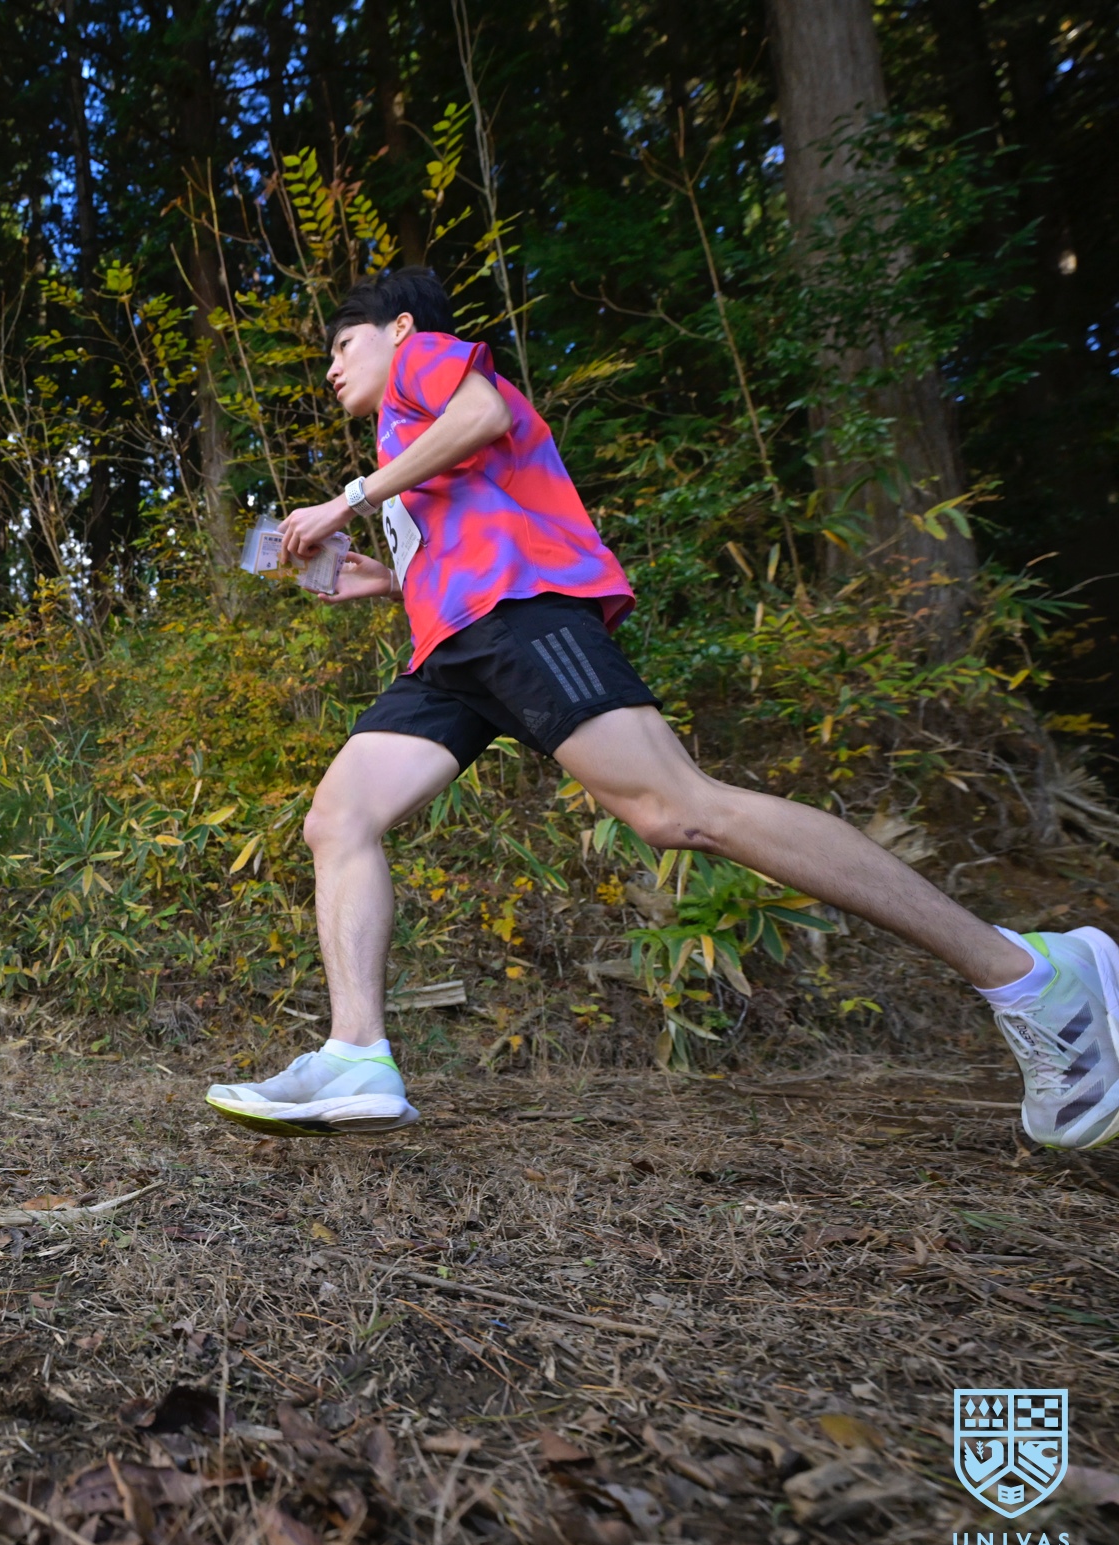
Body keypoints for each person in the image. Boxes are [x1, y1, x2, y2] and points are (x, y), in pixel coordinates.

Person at [205, 267, 1119, 1152]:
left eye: (344, 344)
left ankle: (1028, 975)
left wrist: (350, 500)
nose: (332, 367)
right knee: (341, 818)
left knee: (680, 811)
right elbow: (470, 516)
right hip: (453, 651)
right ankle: (356, 1054)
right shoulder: (405, 441)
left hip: (518, 616)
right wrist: (388, 576)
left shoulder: (423, 361)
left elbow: (485, 415)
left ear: (400, 330)